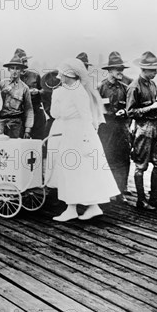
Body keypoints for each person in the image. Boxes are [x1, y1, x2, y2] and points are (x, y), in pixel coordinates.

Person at [50, 58, 119, 221]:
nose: (60, 77)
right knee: (75, 171)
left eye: (62, 74)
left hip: (79, 135)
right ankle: (81, 207)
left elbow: (86, 117)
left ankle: (77, 208)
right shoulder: (67, 91)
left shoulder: (77, 92)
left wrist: (87, 140)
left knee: (79, 171)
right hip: (72, 133)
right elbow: (56, 114)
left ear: (68, 75)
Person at [126, 51, 157, 211]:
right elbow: (130, 112)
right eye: (153, 70)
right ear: (144, 69)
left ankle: (154, 198)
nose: (156, 72)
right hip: (143, 128)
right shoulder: (134, 87)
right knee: (141, 166)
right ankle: (141, 200)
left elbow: (155, 103)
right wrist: (149, 108)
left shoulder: (152, 85)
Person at [97, 51, 132, 203]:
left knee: (123, 159)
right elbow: (96, 109)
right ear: (110, 70)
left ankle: (120, 191)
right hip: (106, 128)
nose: (120, 72)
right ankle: (106, 190)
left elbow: (131, 108)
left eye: (122, 69)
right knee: (106, 158)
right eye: (118, 69)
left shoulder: (125, 88)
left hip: (121, 127)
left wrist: (125, 111)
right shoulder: (100, 87)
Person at [0, 53, 34, 138]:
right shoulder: (2, 84)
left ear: (21, 71)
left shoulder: (24, 88)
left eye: (17, 68)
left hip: (16, 124)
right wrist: (2, 93)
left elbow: (29, 109)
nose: (14, 71)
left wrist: (27, 129)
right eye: (12, 68)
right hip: (1, 122)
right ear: (8, 69)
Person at [16, 48, 48, 140]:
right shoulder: (13, 79)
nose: (24, 64)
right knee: (20, 143)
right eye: (22, 62)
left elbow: (45, 91)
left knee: (38, 142)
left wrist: (38, 92)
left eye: (26, 61)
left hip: (36, 113)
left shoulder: (35, 76)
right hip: (20, 115)